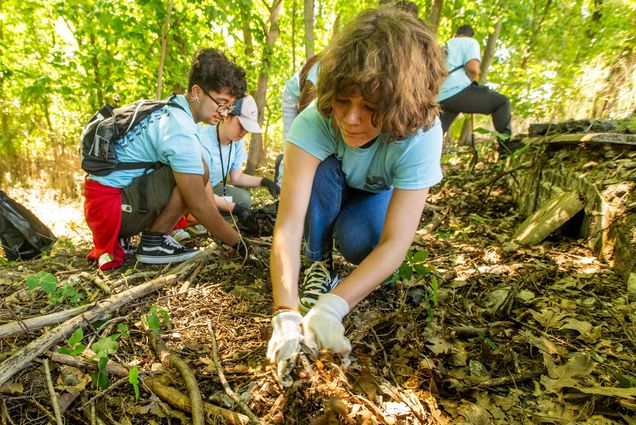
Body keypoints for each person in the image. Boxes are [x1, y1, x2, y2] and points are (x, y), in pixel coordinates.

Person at [266, 7, 446, 385]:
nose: (350, 118)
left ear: (402, 106)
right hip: (328, 186)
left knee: (361, 241)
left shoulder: (422, 134)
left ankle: (336, 272)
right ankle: (318, 262)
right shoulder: (316, 119)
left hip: (374, 194)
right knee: (321, 170)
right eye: (344, 102)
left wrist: (333, 308)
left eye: (370, 107)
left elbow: (397, 242)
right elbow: (288, 224)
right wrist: (285, 312)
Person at [84, 48, 251, 269]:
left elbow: (204, 179)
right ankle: (155, 242)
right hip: (110, 210)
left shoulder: (172, 108)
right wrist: (240, 245)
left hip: (106, 205)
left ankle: (147, 237)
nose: (224, 112)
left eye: (229, 106)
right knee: (190, 172)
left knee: (199, 167)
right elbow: (198, 205)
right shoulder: (178, 128)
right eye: (220, 102)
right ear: (197, 92)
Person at [197, 94, 279, 228]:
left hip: (214, 188)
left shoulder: (236, 142)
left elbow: (236, 177)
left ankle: (213, 217)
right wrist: (237, 209)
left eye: (248, 128)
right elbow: (199, 190)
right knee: (236, 206)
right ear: (226, 116)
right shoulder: (204, 140)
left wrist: (264, 181)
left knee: (244, 199)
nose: (244, 132)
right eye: (241, 125)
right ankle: (205, 219)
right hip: (195, 189)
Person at [437, 24, 513, 155]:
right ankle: (506, 149)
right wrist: (473, 82)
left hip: (440, 96)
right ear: (470, 35)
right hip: (457, 90)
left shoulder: (445, 46)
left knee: (436, 134)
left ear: (456, 34)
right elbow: (473, 68)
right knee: (502, 102)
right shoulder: (470, 42)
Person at [277, 55, 321, 186]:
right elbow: (304, 107)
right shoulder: (320, 69)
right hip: (294, 100)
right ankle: (281, 188)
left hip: (311, 103)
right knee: (293, 144)